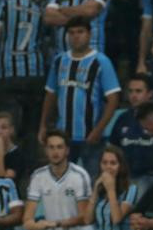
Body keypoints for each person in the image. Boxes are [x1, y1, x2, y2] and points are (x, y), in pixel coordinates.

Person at [39, 17, 122, 175]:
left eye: (80, 32)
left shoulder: (101, 62)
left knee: (93, 180)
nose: (75, 36)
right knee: (62, 179)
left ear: (89, 35)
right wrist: (43, 125)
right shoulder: (59, 61)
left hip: (91, 135)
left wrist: (98, 130)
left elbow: (113, 99)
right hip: (63, 136)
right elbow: (50, 94)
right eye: (71, 33)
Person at [0, 0, 47, 147]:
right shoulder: (39, 10)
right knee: (31, 127)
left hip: (8, 72)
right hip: (34, 72)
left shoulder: (5, 5)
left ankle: (8, 166)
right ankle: (28, 168)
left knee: (8, 126)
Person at [25, 130, 94, 230]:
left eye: (59, 147)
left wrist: (55, 223)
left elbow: (85, 217)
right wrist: (38, 225)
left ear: (67, 150)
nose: (55, 152)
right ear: (46, 150)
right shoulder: (38, 176)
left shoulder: (79, 175)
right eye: (51, 147)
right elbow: (27, 222)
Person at [89, 145, 141, 230]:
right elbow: (87, 219)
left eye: (113, 163)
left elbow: (116, 218)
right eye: (104, 163)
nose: (108, 167)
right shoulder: (99, 190)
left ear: (121, 166)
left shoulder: (130, 189)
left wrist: (111, 189)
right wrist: (95, 191)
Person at [111, 73, 153, 190]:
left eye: (138, 91)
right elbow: (113, 148)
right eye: (130, 91)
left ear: (150, 94)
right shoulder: (123, 118)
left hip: (151, 177)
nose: (133, 95)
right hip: (125, 177)